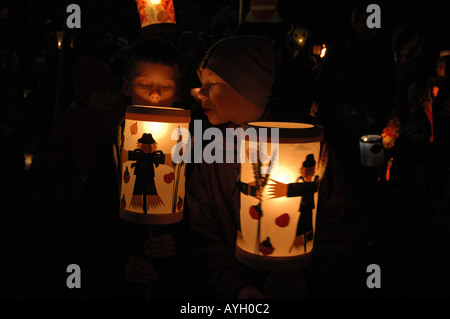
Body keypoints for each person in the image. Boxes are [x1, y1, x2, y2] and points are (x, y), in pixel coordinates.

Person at [185, 35, 347, 299]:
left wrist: (304, 277)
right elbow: (202, 235)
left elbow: (337, 226)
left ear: (245, 86)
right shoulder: (212, 151)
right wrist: (237, 288)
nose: (200, 93)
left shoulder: (305, 145)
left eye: (212, 84)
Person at [118, 38, 200, 298]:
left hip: (174, 279)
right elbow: (92, 219)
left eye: (165, 86)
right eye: (144, 85)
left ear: (177, 93)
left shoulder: (192, 148)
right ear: (126, 86)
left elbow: (200, 216)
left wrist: (178, 239)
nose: (154, 95)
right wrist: (121, 260)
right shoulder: (112, 146)